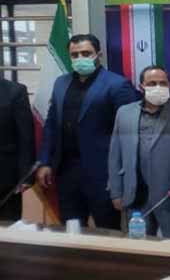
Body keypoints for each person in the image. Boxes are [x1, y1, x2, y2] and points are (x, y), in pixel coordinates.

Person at [36, 34, 139, 229]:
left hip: (103, 173)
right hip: (66, 171)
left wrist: (124, 174)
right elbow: (51, 125)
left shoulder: (117, 84)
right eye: (74, 55)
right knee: (71, 229)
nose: (80, 58)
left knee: (107, 231)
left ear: (98, 54)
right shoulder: (61, 83)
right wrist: (45, 161)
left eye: (86, 53)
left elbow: (129, 132)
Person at [108, 66, 170, 239]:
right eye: (152, 83)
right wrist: (116, 191)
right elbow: (115, 156)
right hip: (135, 197)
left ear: (169, 85)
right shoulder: (124, 113)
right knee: (139, 248)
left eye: (162, 83)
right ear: (141, 86)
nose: (158, 87)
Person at [0, 78, 35, 221]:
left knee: (7, 228)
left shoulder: (15, 91)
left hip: (6, 180)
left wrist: (26, 176)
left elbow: (25, 137)